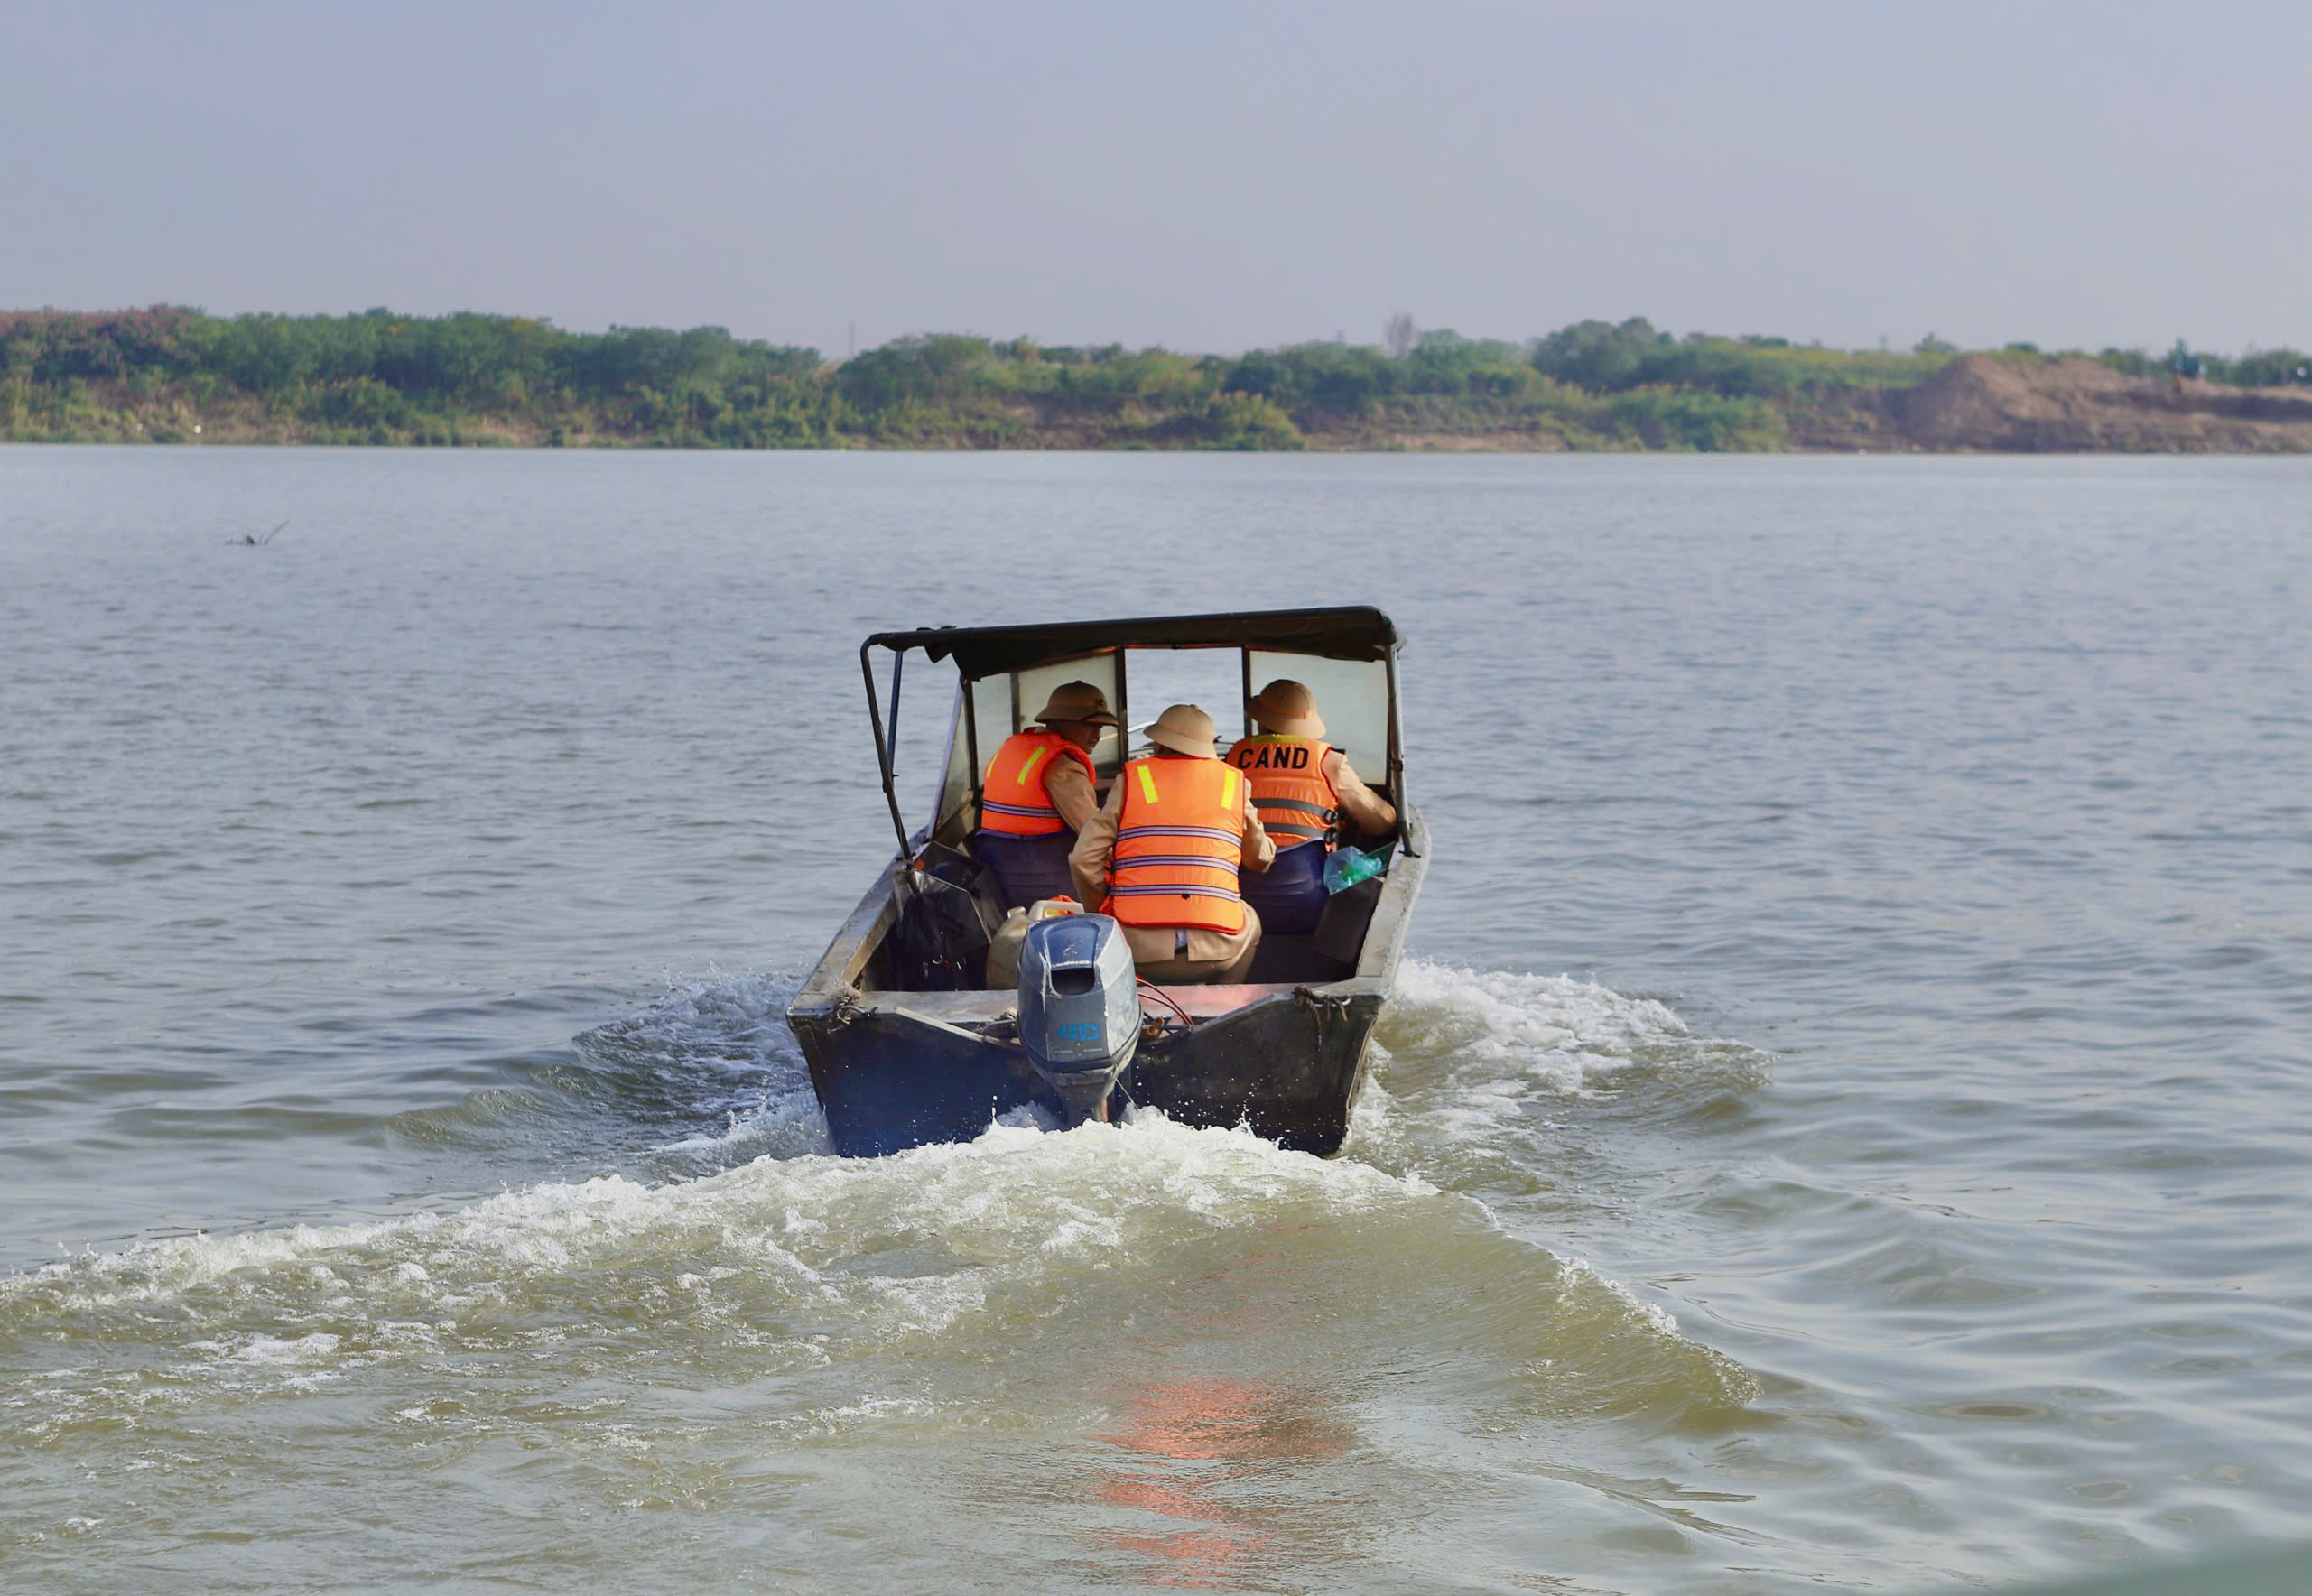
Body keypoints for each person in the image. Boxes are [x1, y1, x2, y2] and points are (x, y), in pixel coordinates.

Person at [1069, 703, 1275, 984]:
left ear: (1158, 745)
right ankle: (1224, 1004)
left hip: (1137, 951)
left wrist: (1102, 911)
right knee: (1250, 919)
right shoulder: (1234, 783)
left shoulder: (1132, 779)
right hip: (1216, 951)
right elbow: (1260, 859)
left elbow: (1083, 859)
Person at [1222, 680, 1397, 935]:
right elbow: (1380, 822)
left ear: (1260, 720)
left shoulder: (1235, 758)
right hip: (1309, 900)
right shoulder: (1329, 761)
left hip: (1243, 899)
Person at [975, 681, 1117, 911]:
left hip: (1003, 877)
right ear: (1061, 721)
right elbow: (1095, 837)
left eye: (1101, 727)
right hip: (1050, 884)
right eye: (1089, 725)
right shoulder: (1063, 767)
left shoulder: (1014, 748)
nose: (1097, 735)